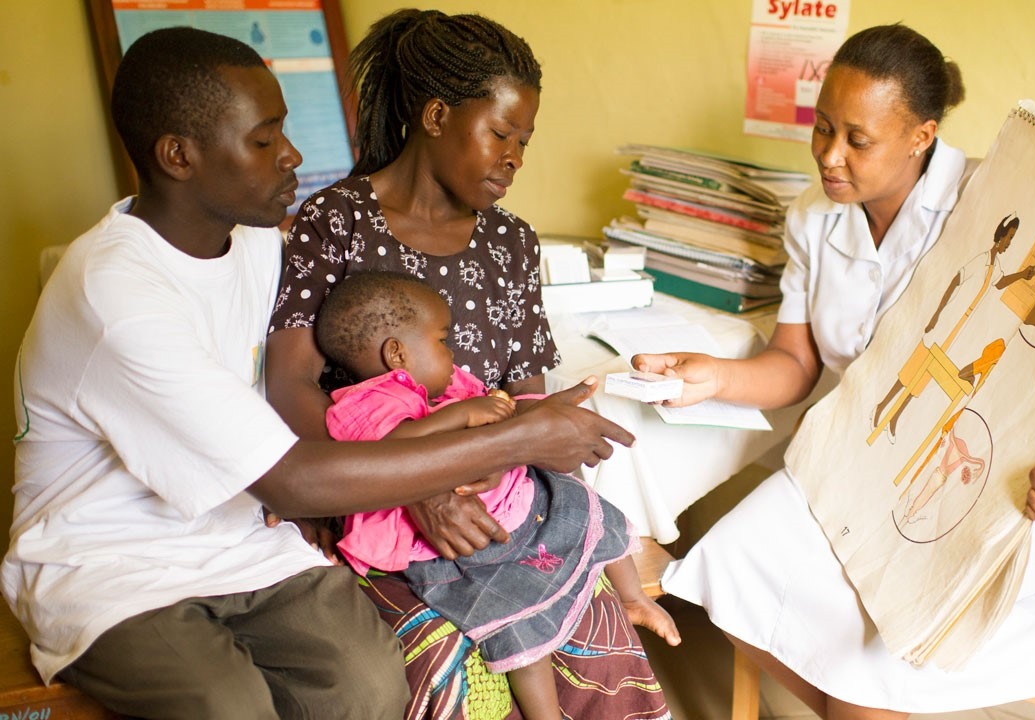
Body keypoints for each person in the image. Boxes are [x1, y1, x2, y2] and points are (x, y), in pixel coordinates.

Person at [4, 26, 631, 719]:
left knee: (367, 683)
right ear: (179, 156)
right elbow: (294, 479)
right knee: (229, 704)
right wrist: (515, 441)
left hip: (242, 538)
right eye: (264, 139)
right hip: (107, 564)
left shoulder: (256, 248)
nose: (293, 156)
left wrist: (490, 431)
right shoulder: (114, 290)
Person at [635, 25, 1035, 719]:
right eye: (822, 128)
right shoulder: (814, 217)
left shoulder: (995, 209)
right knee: (721, 567)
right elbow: (795, 365)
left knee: (871, 660)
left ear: (921, 136)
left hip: (971, 470)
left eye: (858, 140)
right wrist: (714, 377)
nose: (829, 155)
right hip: (861, 462)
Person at [264, 10, 671, 719]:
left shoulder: (511, 244)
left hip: (502, 504)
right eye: (500, 134)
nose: (515, 156)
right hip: (373, 511)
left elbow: (526, 398)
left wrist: (558, 445)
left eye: (525, 141)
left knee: (595, 624)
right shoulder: (335, 221)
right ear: (435, 115)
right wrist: (414, 485)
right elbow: (289, 382)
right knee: (451, 666)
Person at [313, 270, 679, 720]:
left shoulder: (447, 386)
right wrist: (465, 415)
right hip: (461, 547)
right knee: (516, 627)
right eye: (442, 341)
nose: (452, 354)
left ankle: (630, 597)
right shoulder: (362, 403)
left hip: (517, 506)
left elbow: (501, 408)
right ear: (397, 353)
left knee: (589, 506)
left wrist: (538, 412)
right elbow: (391, 447)